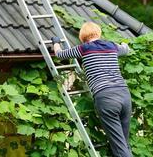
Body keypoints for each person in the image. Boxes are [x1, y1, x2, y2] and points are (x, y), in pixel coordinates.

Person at [51, 22, 133, 157]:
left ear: (83, 36)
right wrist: (124, 43)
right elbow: (126, 49)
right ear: (98, 33)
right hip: (124, 95)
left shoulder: (84, 49)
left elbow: (60, 54)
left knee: (120, 148)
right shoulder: (112, 46)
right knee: (124, 143)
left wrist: (56, 42)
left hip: (106, 97)